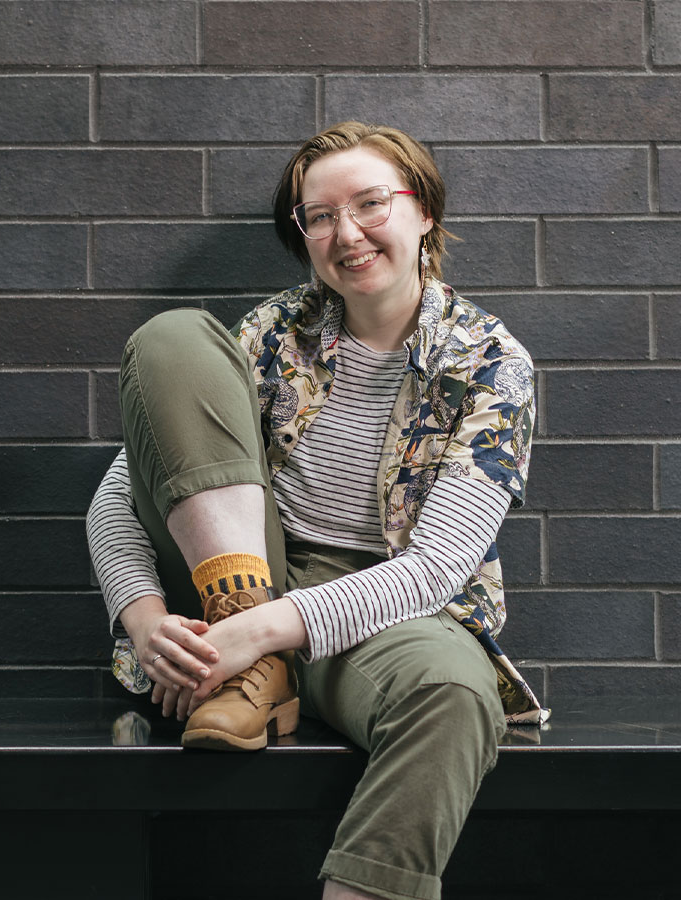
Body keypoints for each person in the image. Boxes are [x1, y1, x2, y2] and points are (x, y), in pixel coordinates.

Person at [87, 120, 547, 900]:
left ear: (422, 210)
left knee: (455, 697)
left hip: (385, 610)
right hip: (234, 567)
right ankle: (260, 665)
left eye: (370, 204)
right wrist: (142, 618)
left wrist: (255, 634)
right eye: (321, 217)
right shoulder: (270, 336)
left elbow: (435, 569)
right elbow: (116, 497)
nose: (348, 233)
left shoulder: (492, 363)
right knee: (172, 339)